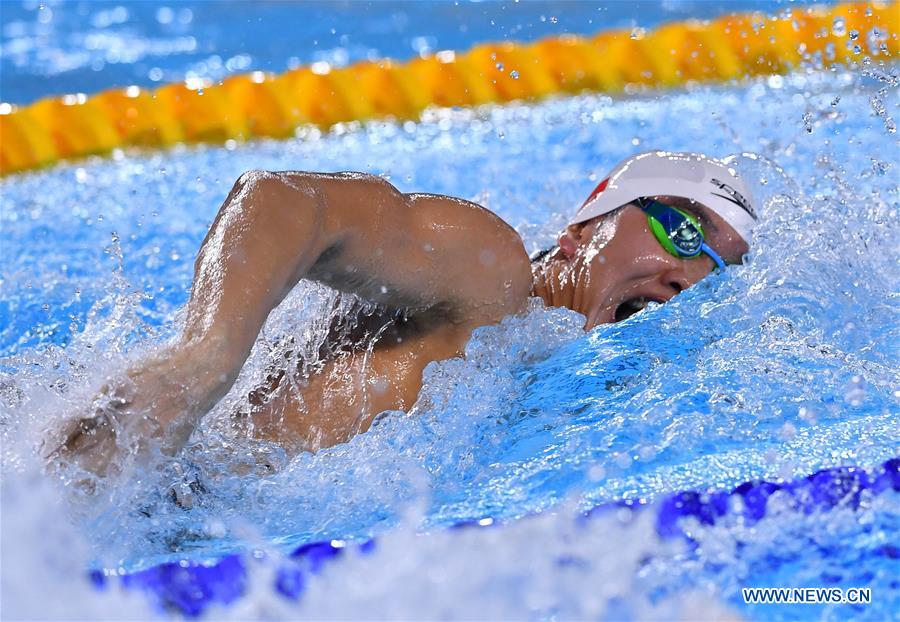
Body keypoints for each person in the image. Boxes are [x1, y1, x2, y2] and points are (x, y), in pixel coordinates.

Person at [45, 150, 756, 478]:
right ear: (582, 228)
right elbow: (289, 198)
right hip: (138, 472)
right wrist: (207, 354)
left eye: (718, 270)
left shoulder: (589, 385)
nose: (689, 274)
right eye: (681, 230)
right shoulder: (493, 275)